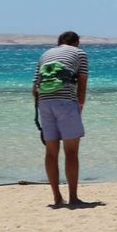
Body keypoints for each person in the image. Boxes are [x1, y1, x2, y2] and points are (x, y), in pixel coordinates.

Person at [32, 31, 88, 207]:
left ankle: (57, 197)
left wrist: (41, 106)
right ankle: (73, 197)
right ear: (76, 42)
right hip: (66, 102)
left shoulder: (45, 55)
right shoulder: (79, 54)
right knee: (71, 152)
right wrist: (79, 107)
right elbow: (82, 83)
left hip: (44, 103)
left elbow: (35, 88)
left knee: (51, 152)